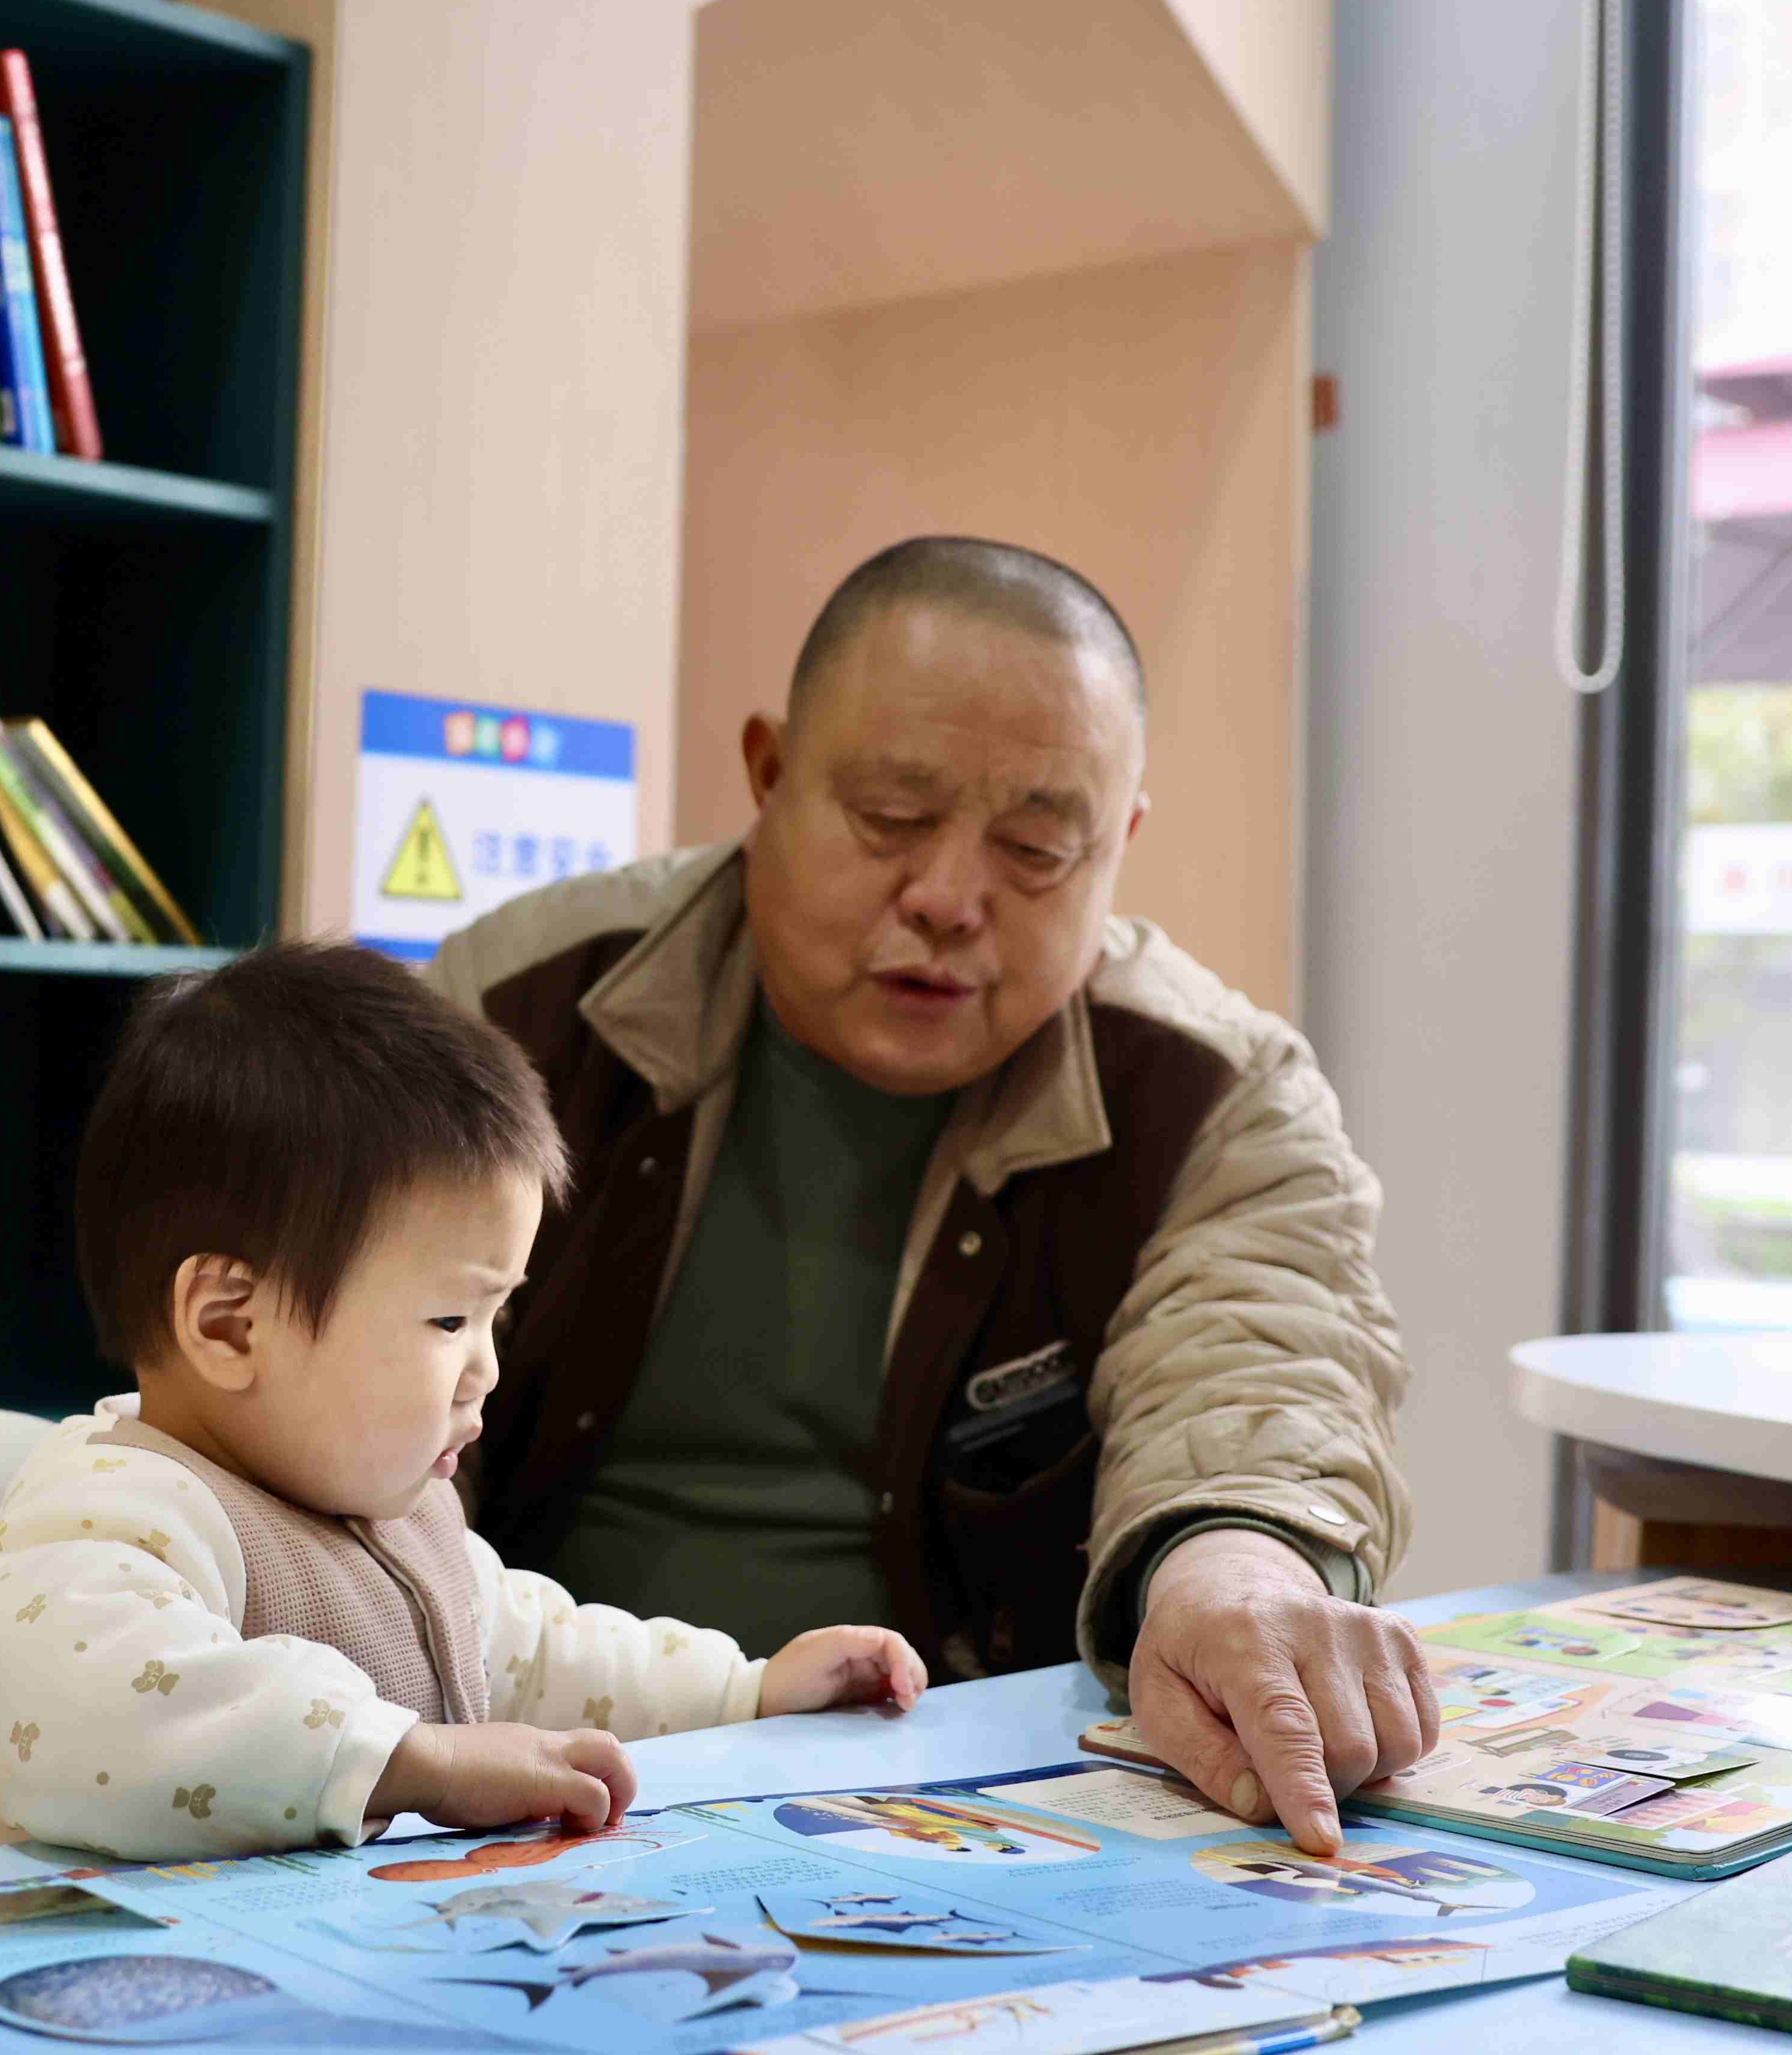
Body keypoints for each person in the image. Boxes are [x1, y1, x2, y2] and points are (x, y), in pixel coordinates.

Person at [428, 536, 1422, 1856]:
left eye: (1037, 847)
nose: (949, 898)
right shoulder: (520, 1009)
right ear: (768, 773)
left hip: (979, 1809)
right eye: (892, 818)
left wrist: (1230, 1569)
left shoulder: (1214, 1097)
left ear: (1119, 842)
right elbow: (318, 1387)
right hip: (520, 1768)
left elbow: (1261, 1368)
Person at [0, 941, 926, 1863]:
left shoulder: (397, 1516)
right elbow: (124, 1712)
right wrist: (422, 1764)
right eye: (451, 1320)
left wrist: (746, 1691)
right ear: (231, 1325)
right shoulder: (102, 1520)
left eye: (499, 1316)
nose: (486, 1368)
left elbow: (540, 1654)